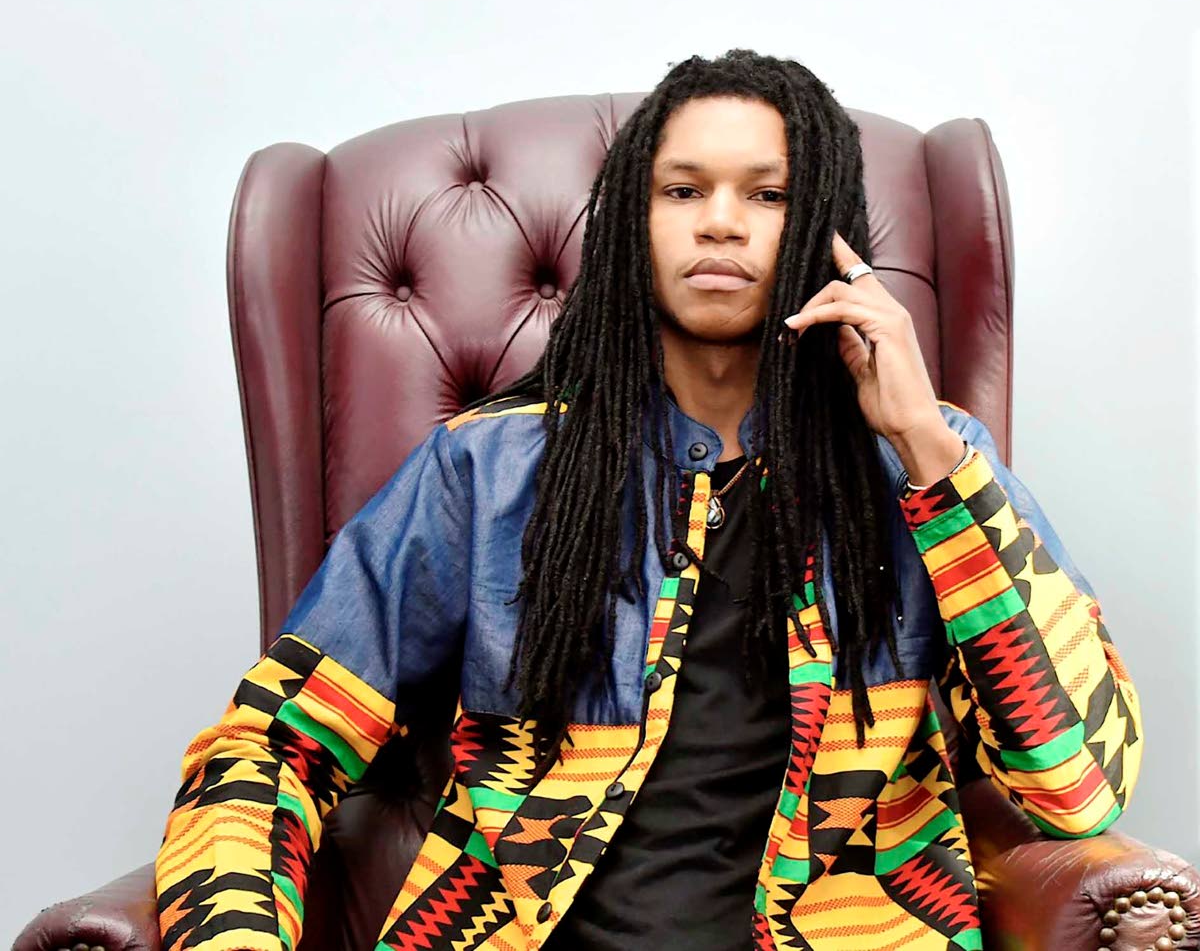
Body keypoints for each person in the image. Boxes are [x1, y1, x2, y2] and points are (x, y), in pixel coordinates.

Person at [154, 49, 1142, 951]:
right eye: (683, 189)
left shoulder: (930, 464)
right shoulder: (489, 469)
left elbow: (1076, 788)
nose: (721, 221)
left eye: (769, 194)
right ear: (636, 220)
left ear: (827, 232)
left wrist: (926, 447)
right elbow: (268, 746)